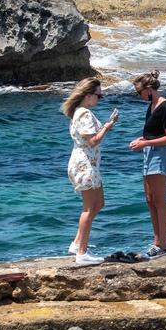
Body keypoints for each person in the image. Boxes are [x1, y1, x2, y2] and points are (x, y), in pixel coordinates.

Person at [62, 78, 118, 266]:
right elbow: (92, 140)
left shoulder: (80, 112)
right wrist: (107, 127)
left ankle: (77, 243)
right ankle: (82, 253)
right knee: (88, 208)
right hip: (85, 163)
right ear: (88, 96)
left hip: (89, 163)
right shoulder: (84, 113)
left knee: (99, 203)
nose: (100, 99)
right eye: (98, 95)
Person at [127, 70, 166, 259]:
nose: (139, 96)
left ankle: (163, 244)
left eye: (139, 92)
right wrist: (143, 139)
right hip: (149, 153)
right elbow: (154, 132)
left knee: (159, 200)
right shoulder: (152, 105)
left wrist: (145, 143)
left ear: (148, 89)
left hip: (159, 155)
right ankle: (157, 242)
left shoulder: (165, 106)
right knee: (150, 200)